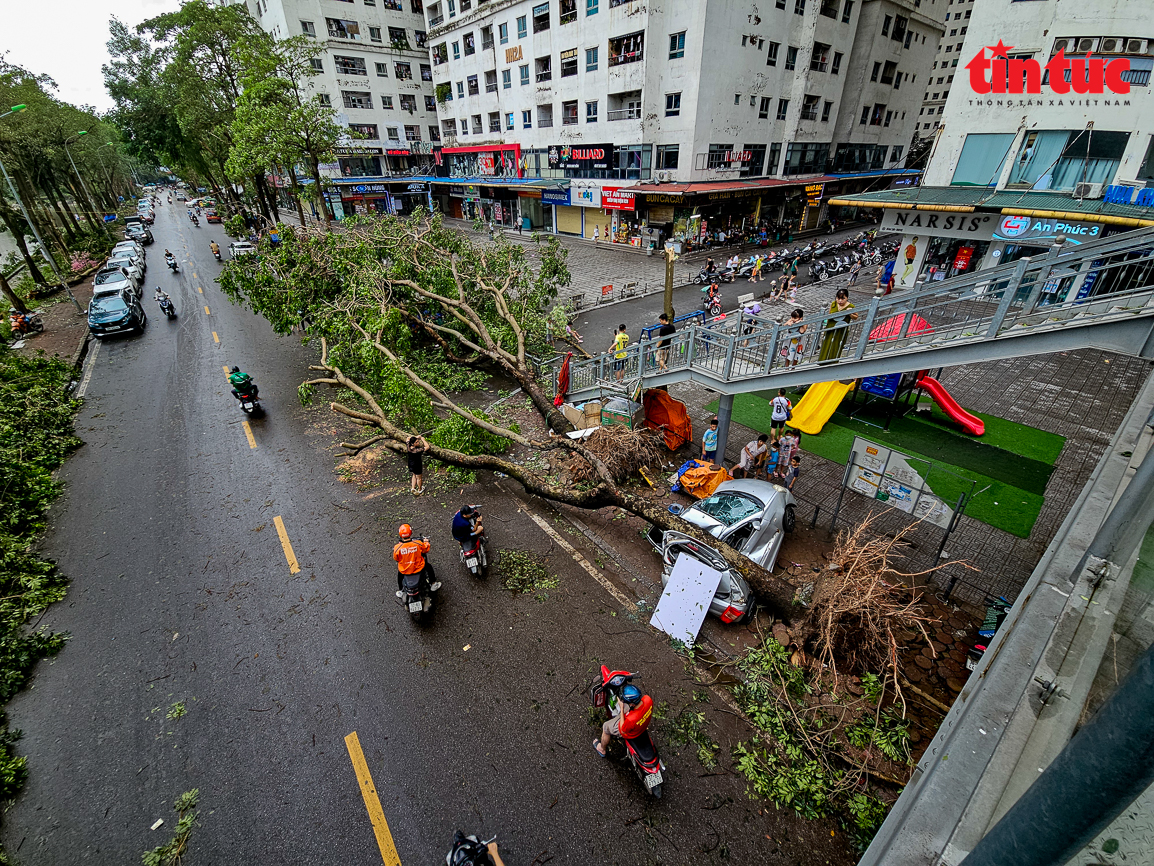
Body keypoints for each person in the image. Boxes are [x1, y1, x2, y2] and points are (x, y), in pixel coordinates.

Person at [594, 683, 653, 757]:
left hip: (631, 731)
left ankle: (602, 749)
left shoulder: (631, 719)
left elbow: (622, 730)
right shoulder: (648, 699)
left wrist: (621, 708)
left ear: (632, 704)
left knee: (606, 726)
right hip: (641, 723)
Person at [818, 288, 859, 362]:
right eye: (838, 298)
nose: (840, 301)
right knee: (826, 344)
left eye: (843, 298)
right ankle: (822, 361)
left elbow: (855, 317)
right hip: (830, 328)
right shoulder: (833, 304)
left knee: (836, 346)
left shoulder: (851, 306)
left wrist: (850, 313)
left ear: (847, 298)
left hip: (841, 330)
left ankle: (833, 362)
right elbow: (829, 314)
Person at [392, 524, 436, 593]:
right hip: (418, 568)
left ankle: (401, 590)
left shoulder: (397, 547)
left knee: (400, 575)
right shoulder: (417, 544)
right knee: (428, 567)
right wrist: (426, 542)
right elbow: (426, 549)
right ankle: (433, 584)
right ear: (410, 532)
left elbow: (396, 558)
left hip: (405, 570)